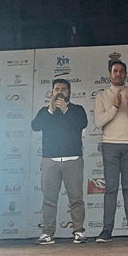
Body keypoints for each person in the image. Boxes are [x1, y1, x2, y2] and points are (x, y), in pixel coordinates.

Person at [93, 61, 128, 242]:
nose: (118, 74)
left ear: (126, 74)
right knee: (110, 189)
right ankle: (106, 231)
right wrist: (115, 107)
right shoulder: (102, 95)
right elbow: (98, 122)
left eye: (121, 71)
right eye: (115, 71)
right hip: (110, 144)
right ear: (110, 74)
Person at [31, 79, 89, 244]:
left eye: (63, 89)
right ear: (52, 92)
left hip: (73, 160)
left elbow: (82, 124)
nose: (60, 92)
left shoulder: (77, 110)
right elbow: (35, 126)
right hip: (50, 160)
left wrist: (65, 110)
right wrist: (51, 110)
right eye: (57, 89)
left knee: (76, 199)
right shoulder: (45, 111)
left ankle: (78, 231)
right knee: (49, 200)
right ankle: (47, 233)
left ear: (69, 92)